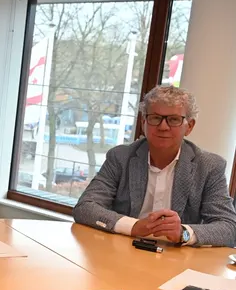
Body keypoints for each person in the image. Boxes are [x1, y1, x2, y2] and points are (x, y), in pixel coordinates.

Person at [73, 84, 236, 247]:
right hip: (123, 250)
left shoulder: (209, 166)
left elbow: (228, 227)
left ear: (189, 126)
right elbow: (85, 208)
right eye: (155, 118)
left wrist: (183, 232)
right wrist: (133, 226)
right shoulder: (120, 157)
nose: (163, 127)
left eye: (173, 119)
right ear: (144, 121)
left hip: (177, 257)